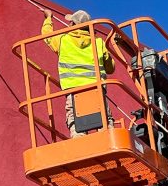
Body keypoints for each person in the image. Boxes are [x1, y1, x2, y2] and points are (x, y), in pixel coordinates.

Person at [41, 9, 115, 138]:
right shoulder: (98, 42)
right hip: (96, 90)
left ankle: (79, 142)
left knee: (77, 125)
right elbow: (111, 68)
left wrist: (48, 18)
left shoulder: (63, 39)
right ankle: (109, 140)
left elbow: (47, 36)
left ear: (73, 24)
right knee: (104, 124)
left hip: (73, 90)